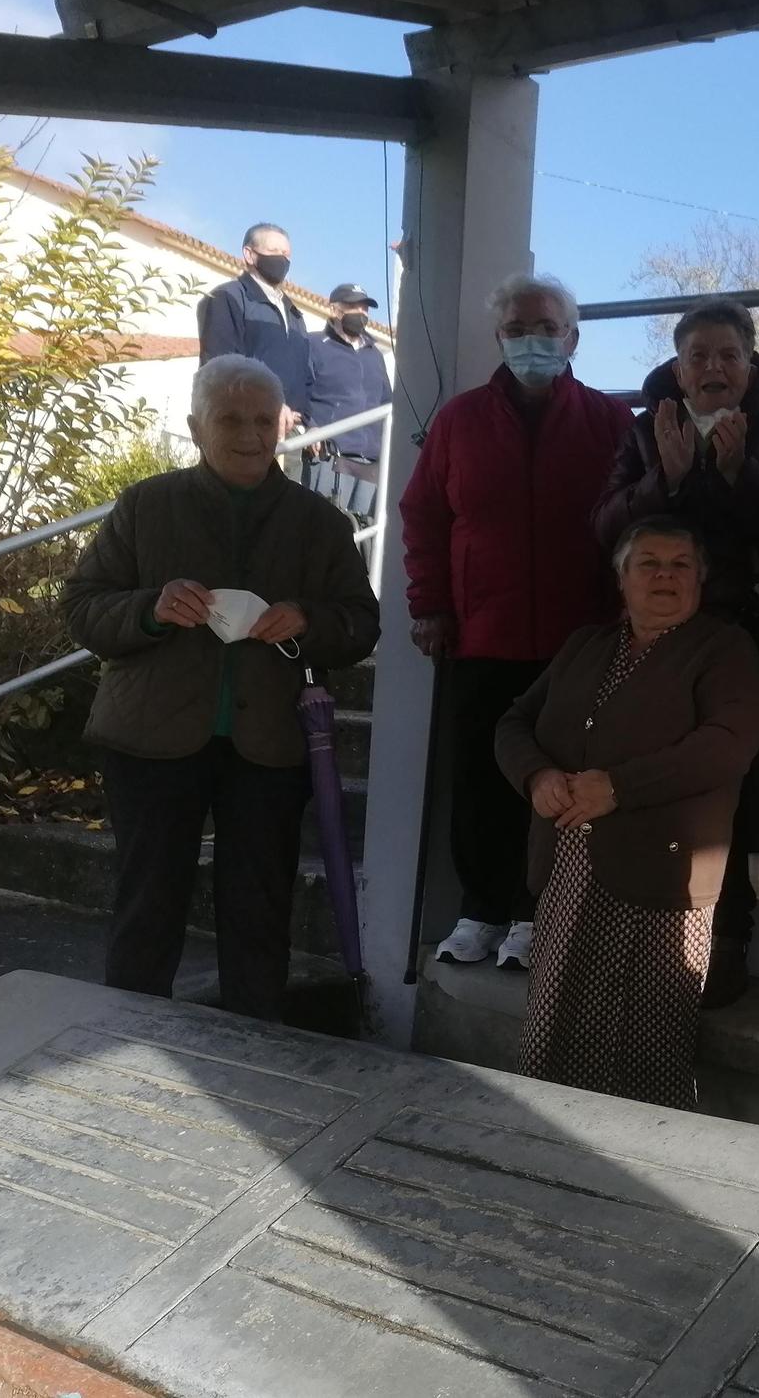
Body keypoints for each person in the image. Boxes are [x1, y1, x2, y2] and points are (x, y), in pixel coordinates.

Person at [63, 355, 380, 1020]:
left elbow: (360, 624)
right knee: (147, 903)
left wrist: (308, 619)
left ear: (282, 425)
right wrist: (151, 608)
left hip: (267, 744)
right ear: (195, 427)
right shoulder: (147, 505)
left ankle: (253, 1041)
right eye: (229, 418)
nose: (248, 433)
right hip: (149, 739)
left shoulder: (320, 523)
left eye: (262, 419)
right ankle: (132, 1038)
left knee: (260, 908)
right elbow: (84, 606)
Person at [592, 298, 759, 1006]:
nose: (714, 369)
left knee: (737, 785)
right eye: (699, 356)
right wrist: (661, 477)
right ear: (678, 368)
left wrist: (740, 478)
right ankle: (641, 932)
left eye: (729, 355)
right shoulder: (644, 432)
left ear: (750, 366)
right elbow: (604, 527)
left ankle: (727, 943)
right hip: (653, 638)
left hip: (742, 637)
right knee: (648, 778)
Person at [401, 273, 634, 971]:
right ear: (499, 338)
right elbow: (424, 517)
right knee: (479, 779)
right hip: (482, 634)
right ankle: (481, 910)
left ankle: (541, 916)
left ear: (574, 337)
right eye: (519, 329)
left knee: (562, 782)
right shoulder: (458, 421)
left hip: (577, 639)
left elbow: (634, 524)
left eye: (548, 328)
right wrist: (430, 606)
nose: (535, 341)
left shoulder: (609, 422)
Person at [496, 521, 759, 1108]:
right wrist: (536, 775)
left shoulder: (723, 650)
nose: (664, 576)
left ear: (701, 579)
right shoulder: (585, 646)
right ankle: (548, 1142)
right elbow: (514, 722)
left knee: (643, 1047)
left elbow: (728, 743)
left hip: (661, 882)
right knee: (555, 1025)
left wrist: (619, 787)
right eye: (648, 563)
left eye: (681, 564)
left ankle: (632, 1166)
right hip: (568, 874)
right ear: (622, 577)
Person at [196, 222, 313, 439]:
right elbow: (222, 367)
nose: (282, 259)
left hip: (292, 434)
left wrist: (309, 420)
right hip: (245, 431)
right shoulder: (227, 298)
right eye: (273, 251)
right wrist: (269, 405)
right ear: (249, 254)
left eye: (286, 254)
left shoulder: (295, 315)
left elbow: (306, 376)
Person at [304, 283, 390, 519]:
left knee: (364, 537)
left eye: (365, 308)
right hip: (331, 457)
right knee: (323, 529)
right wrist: (310, 426)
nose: (361, 313)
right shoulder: (312, 345)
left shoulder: (375, 355)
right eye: (353, 306)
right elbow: (299, 392)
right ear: (334, 310)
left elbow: (387, 403)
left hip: (371, 462)